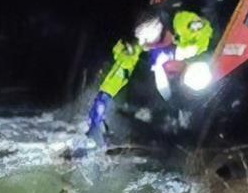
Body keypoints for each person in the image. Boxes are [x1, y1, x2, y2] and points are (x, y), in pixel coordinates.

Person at [85, 9, 213, 143]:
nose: (144, 43)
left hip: (199, 67)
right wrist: (105, 95)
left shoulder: (182, 23)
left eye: (146, 38)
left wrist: (179, 55)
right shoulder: (135, 46)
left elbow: (205, 34)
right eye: (140, 39)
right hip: (166, 85)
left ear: (159, 28)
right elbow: (120, 70)